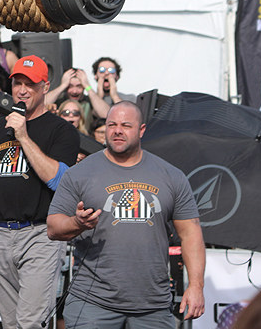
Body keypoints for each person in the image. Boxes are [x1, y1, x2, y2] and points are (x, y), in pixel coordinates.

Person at [0, 55, 80, 329]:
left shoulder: (61, 131)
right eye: (17, 83)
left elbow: (58, 181)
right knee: (10, 323)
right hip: (0, 235)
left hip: (40, 235)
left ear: (45, 86)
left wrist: (23, 137)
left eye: (30, 84)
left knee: (30, 322)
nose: (22, 90)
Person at [47, 101, 206, 327]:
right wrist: (77, 223)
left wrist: (196, 286)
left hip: (153, 306)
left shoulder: (171, 175)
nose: (117, 130)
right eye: (112, 125)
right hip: (92, 303)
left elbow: (191, 233)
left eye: (126, 125)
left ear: (141, 130)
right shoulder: (79, 173)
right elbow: (53, 227)